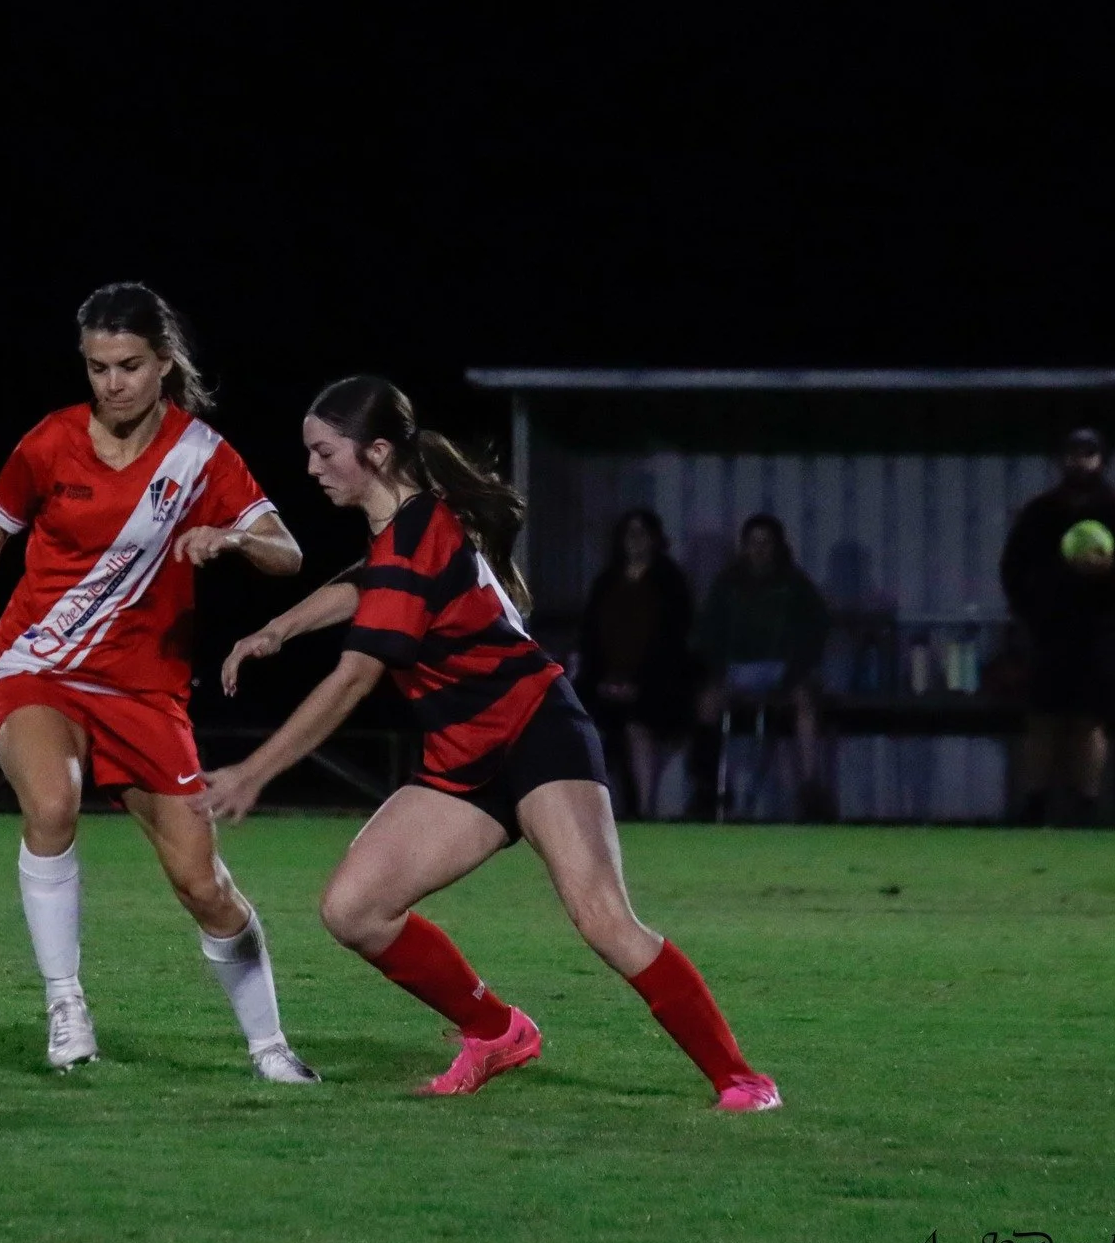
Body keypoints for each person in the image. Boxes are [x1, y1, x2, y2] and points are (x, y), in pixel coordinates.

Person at [203, 376, 777, 1111]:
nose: (311, 468)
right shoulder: (401, 531)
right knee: (354, 908)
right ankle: (496, 1029)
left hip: (538, 732)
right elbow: (366, 583)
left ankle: (740, 1077)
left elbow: (352, 679)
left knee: (603, 918)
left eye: (324, 452)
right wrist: (280, 628)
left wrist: (255, 771)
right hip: (463, 756)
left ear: (376, 453)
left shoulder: (415, 532)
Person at [0, 282, 318, 1082]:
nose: (112, 383)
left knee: (202, 883)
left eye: (129, 366)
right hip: (38, 666)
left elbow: (288, 551)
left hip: (146, 694)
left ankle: (271, 1046)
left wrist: (234, 539)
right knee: (51, 801)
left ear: (163, 363)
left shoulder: (200, 456)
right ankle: (66, 1003)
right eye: (97, 366)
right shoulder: (47, 444)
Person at [1000, 427, 1115, 825]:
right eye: (1072, 453)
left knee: (1089, 720)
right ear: (1061, 459)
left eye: (1088, 453)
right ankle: (1035, 805)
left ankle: (1085, 805)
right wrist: (1030, 611)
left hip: (1102, 632)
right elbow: (1012, 568)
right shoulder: (1040, 511)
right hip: (1049, 633)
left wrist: (1112, 579)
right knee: (1042, 720)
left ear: (1101, 459)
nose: (1079, 461)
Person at [686, 515, 832, 820]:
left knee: (805, 704)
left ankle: (810, 788)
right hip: (737, 669)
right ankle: (706, 787)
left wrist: (793, 675)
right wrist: (718, 671)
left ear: (778, 546)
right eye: (753, 543)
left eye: (766, 543)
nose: (759, 550)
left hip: (783, 669)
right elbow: (708, 632)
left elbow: (815, 630)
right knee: (706, 703)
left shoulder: (795, 584)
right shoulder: (728, 584)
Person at [575, 508, 696, 818]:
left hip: (656, 684)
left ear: (655, 539)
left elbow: (672, 641)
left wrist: (638, 684)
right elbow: (590, 636)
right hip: (603, 682)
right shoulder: (606, 582)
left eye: (641, 533)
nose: (634, 540)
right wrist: (602, 680)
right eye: (628, 533)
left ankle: (644, 810)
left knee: (637, 726)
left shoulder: (670, 582)